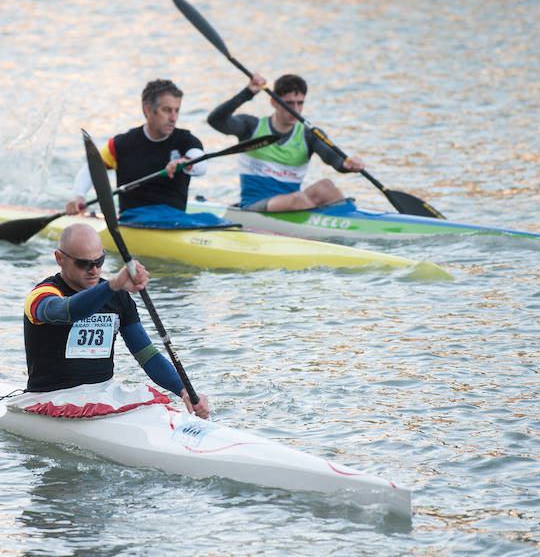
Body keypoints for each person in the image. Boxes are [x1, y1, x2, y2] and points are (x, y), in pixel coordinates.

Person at [23, 222, 210, 419]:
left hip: (105, 394)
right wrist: (113, 285)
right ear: (59, 258)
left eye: (99, 261)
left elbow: (147, 355)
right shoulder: (43, 296)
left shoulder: (117, 296)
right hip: (53, 398)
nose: (94, 270)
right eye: (83, 264)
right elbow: (68, 311)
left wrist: (183, 390)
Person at [207, 73, 365, 212]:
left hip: (293, 203)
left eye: (300, 103)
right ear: (273, 102)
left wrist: (347, 164)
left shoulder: (309, 134)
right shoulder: (251, 127)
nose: (295, 109)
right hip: (255, 205)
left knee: (327, 186)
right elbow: (215, 120)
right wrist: (247, 92)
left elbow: (332, 157)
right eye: (289, 103)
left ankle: (356, 223)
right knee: (299, 198)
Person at [65, 79, 208, 216]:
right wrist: (79, 196)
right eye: (167, 110)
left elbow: (201, 165)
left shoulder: (186, 141)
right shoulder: (121, 144)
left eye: (177, 110)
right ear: (148, 110)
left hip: (174, 221)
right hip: (133, 221)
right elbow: (92, 168)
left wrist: (186, 164)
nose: (173, 117)